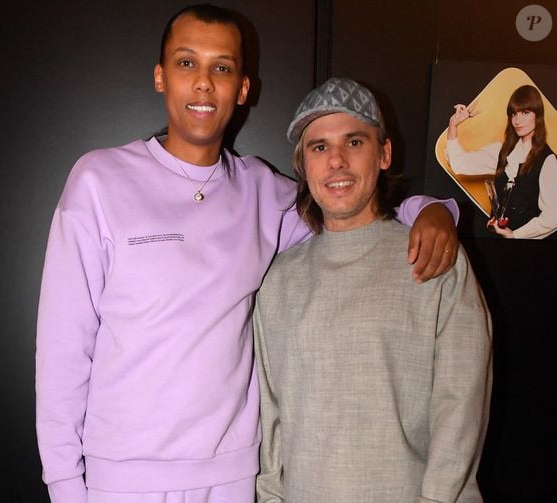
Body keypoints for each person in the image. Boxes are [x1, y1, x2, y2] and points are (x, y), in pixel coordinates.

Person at [35, 5, 460, 503]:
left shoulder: (262, 191)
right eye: (186, 63)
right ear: (160, 77)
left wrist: (431, 208)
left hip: (234, 478)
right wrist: (64, 482)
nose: (203, 83)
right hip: (122, 479)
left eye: (222, 67)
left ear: (241, 88)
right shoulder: (98, 181)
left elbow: (346, 205)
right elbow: (63, 350)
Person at [254, 78, 492, 502]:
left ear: (383, 154)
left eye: (354, 142)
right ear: (302, 166)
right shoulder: (279, 280)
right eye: (319, 147)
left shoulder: (432, 258)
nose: (337, 162)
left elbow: (461, 407)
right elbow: (271, 423)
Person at [446, 84, 557, 239]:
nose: (518, 120)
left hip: (528, 248)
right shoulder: (502, 151)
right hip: (495, 242)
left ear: (537, 115)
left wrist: (515, 235)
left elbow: (553, 217)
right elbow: (459, 164)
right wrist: (453, 127)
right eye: (513, 114)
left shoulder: (548, 160)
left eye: (525, 112)